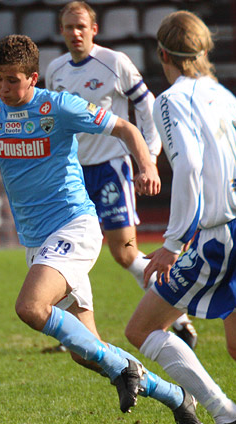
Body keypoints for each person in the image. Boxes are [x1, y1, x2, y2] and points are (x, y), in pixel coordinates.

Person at [0, 34, 200, 424]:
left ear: (33, 78)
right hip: (37, 242)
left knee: (30, 308)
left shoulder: (58, 106)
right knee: (86, 352)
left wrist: (148, 165)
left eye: (12, 80)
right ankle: (176, 396)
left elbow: (126, 129)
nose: (4, 89)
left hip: (74, 225)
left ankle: (125, 369)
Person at [124, 11, 236, 424]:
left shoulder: (171, 99)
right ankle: (231, 416)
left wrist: (170, 243)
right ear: (203, 51)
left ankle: (228, 416)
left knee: (142, 329)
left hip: (224, 233)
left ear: (162, 54)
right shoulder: (223, 94)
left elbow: (185, 166)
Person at [44, 1, 197, 349]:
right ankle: (76, 333)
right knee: (68, 251)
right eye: (69, 27)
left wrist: (150, 157)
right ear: (62, 31)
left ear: (94, 29)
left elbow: (147, 106)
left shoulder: (114, 63)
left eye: (81, 26)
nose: (75, 33)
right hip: (72, 175)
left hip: (111, 170)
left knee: (125, 252)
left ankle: (179, 314)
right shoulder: (55, 70)